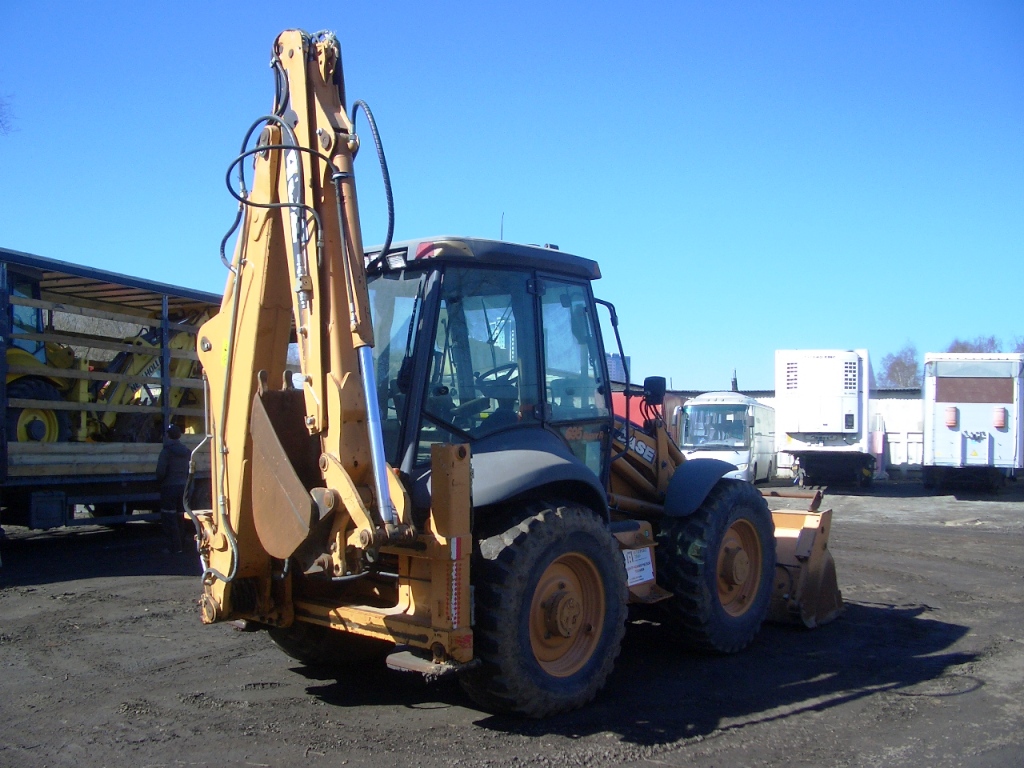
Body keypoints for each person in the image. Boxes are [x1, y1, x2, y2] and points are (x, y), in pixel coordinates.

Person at [155, 425, 191, 553]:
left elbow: (160, 472)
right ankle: (181, 545)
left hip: (169, 487)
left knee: (169, 517)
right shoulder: (187, 452)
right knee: (180, 516)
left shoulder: (166, 452)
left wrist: (159, 482)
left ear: (168, 436)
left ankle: (174, 547)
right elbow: (189, 470)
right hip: (183, 487)